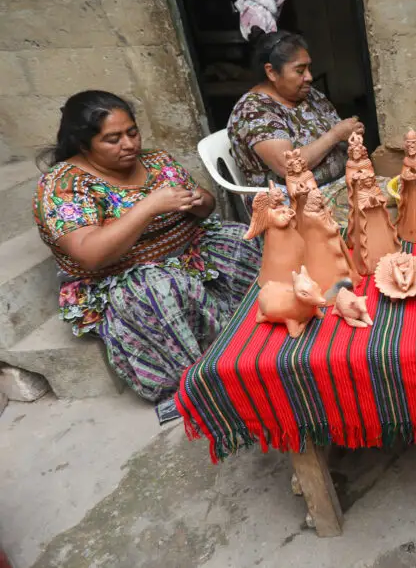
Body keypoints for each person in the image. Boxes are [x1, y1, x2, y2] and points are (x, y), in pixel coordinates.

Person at [34, 91, 261, 402]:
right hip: (121, 275)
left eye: (132, 132)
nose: (129, 144)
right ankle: (202, 380)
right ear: (83, 143)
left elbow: (207, 206)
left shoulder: (156, 161)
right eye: (112, 139)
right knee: (158, 289)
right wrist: (149, 206)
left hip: (187, 252)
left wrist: (195, 201)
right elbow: (90, 255)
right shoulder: (65, 185)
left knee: (243, 240)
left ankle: (258, 336)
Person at [227, 29, 364, 210]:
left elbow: (340, 131)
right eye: (300, 71)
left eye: (308, 68)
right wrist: (336, 135)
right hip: (291, 205)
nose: (309, 77)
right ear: (271, 72)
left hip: (339, 186)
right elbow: (289, 167)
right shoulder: (254, 111)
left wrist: (351, 134)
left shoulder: (308, 95)